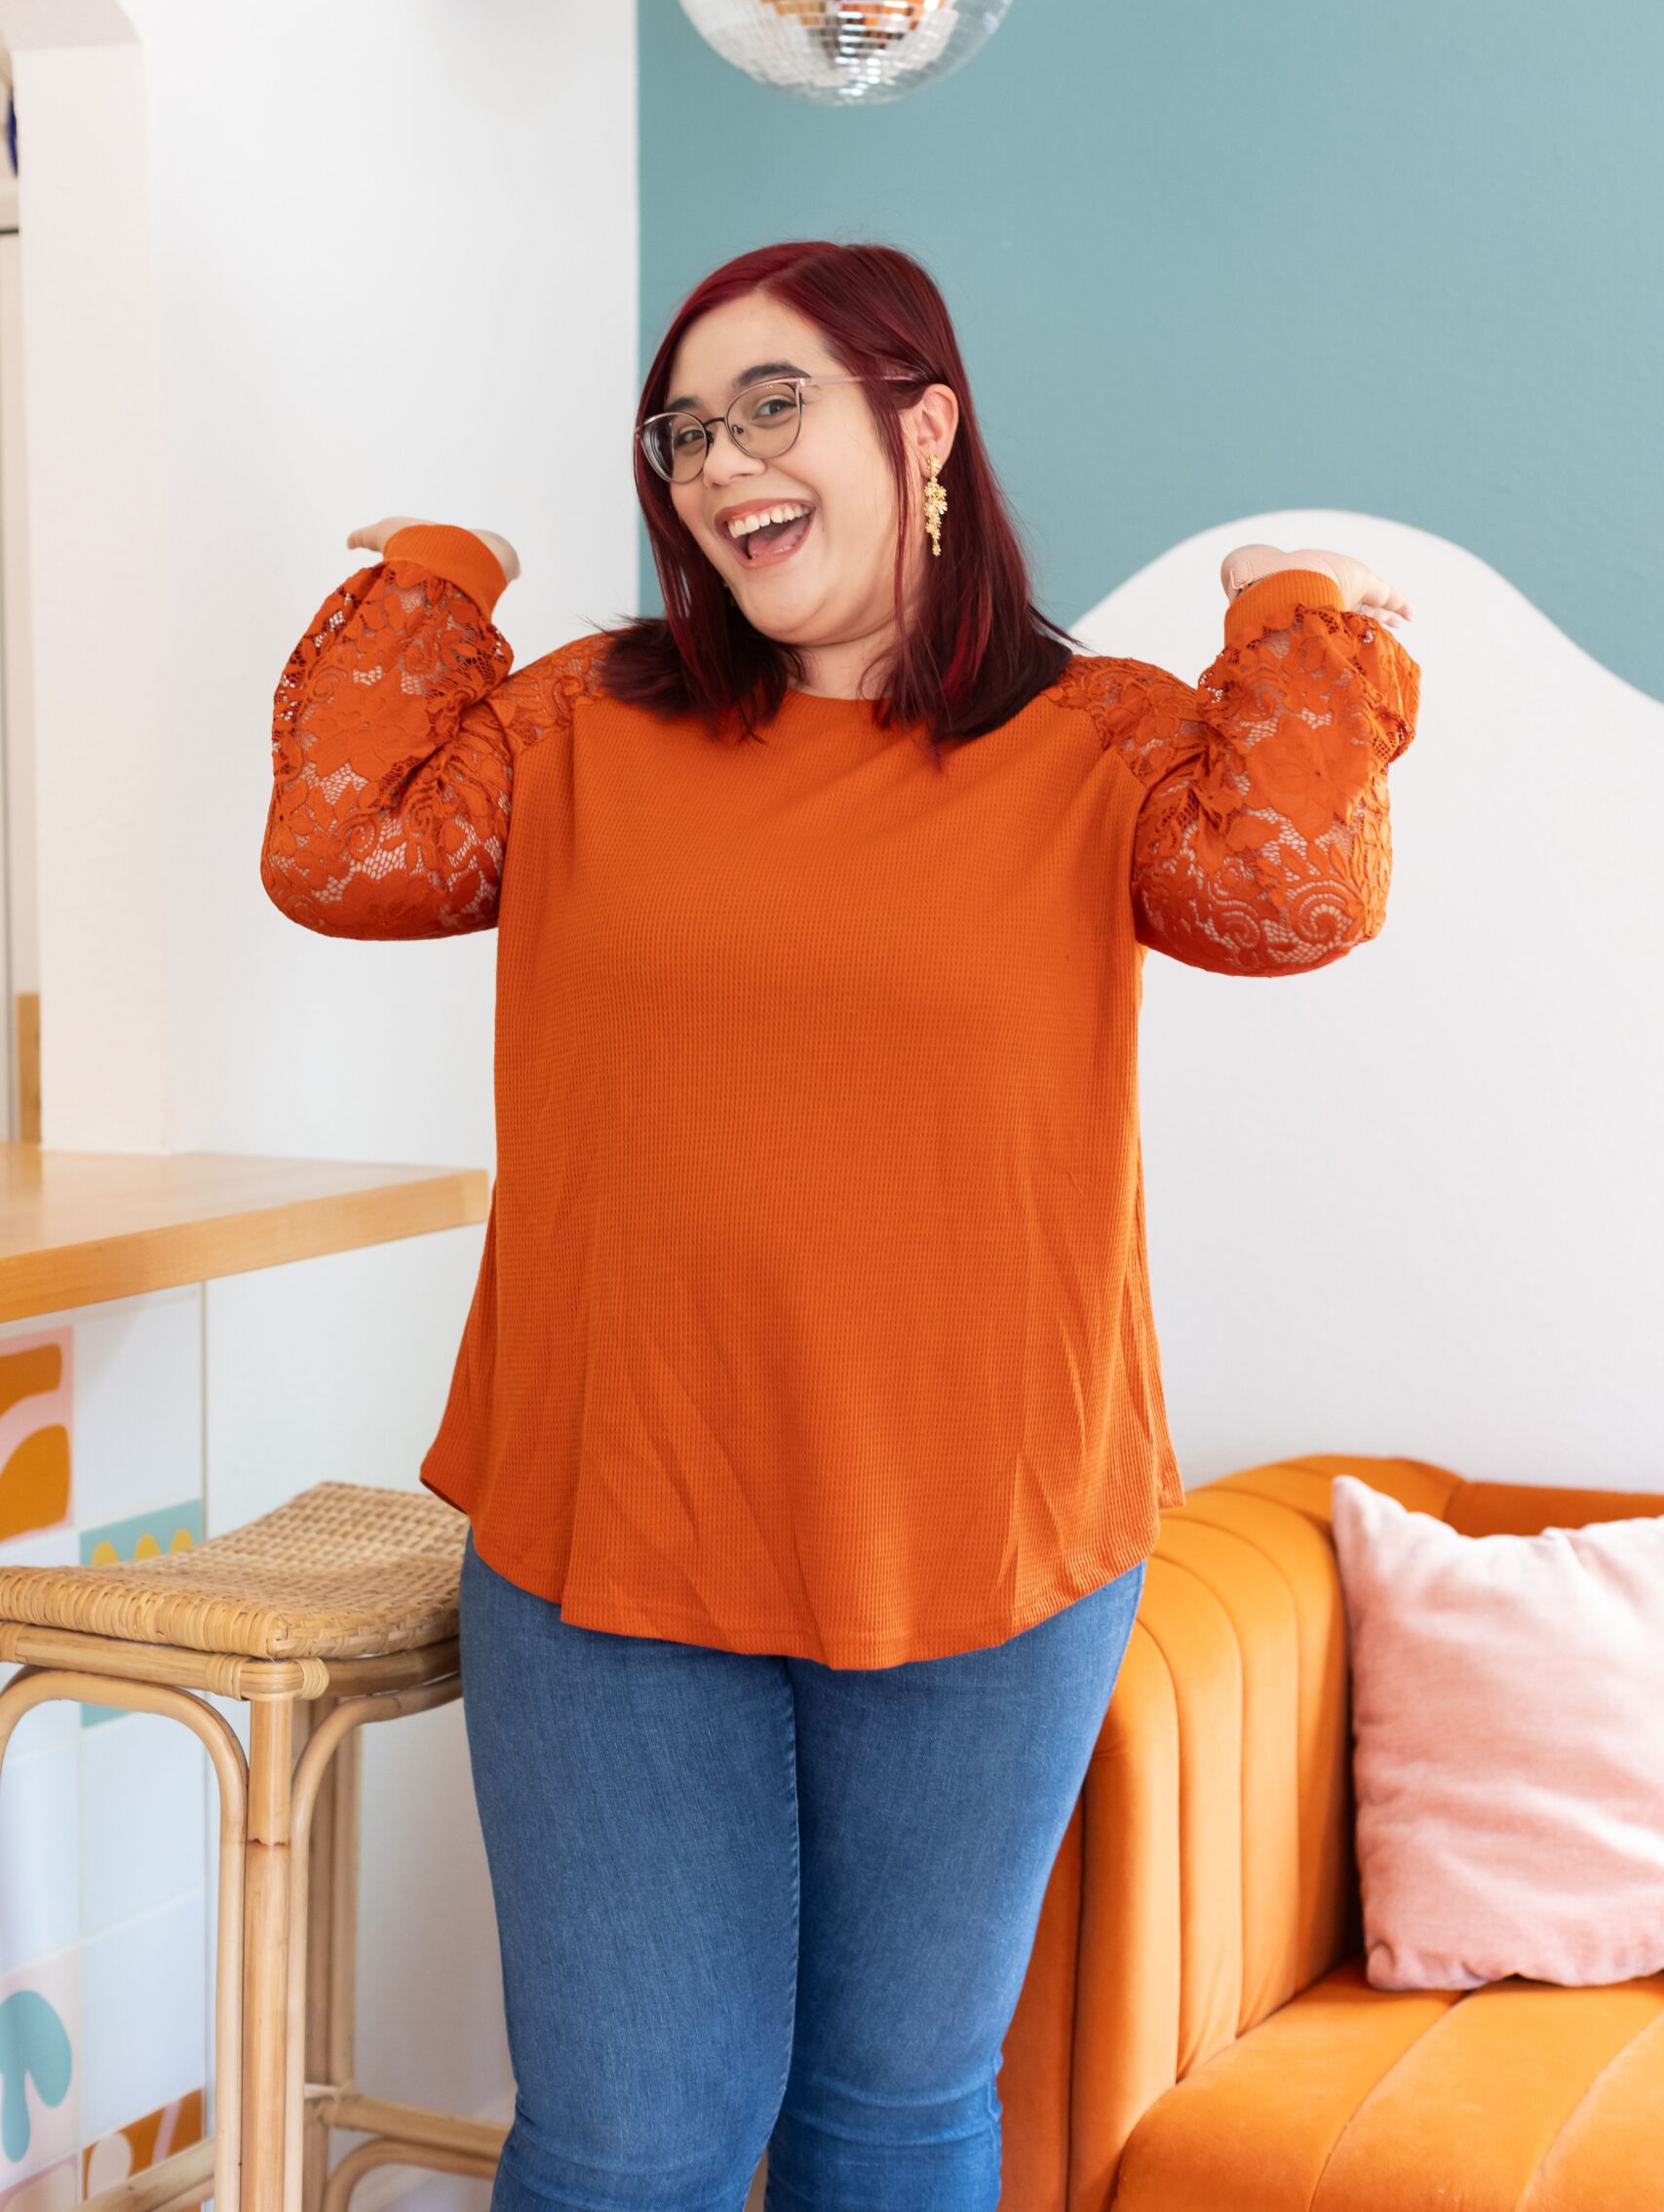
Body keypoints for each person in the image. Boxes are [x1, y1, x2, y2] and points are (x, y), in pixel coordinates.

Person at [261, 239, 1419, 2212]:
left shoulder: (1097, 739)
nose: (718, 462)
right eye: (686, 427)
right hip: (609, 1529)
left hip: (988, 1534)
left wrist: (1290, 611)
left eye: (769, 403)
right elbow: (344, 849)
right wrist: (440, 571)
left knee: (891, 2120)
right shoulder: (581, 726)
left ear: (926, 427)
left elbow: (1289, 896)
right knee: (630, 2145)